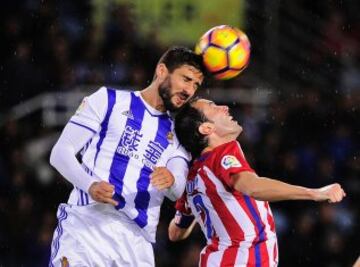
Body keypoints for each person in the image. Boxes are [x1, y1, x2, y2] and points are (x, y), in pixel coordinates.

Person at [49, 47, 206, 266]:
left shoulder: (178, 134)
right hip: (87, 226)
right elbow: (60, 153)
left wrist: (170, 180)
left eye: (196, 85)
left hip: (136, 243)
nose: (189, 90)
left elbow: (178, 189)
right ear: (162, 71)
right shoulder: (109, 100)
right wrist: (90, 184)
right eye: (186, 79)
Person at [168, 98, 346, 267]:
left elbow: (175, 232)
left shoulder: (193, 177)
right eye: (214, 107)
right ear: (206, 128)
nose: (225, 107)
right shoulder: (223, 154)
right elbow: (252, 186)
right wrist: (315, 193)